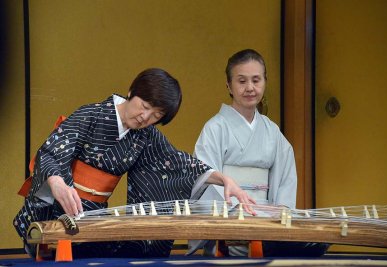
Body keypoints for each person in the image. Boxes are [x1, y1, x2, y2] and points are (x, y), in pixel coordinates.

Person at [13, 68, 255, 258]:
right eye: (145, 106)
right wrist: (57, 183)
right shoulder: (90, 115)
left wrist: (224, 180)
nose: (145, 117)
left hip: (94, 217)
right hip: (60, 209)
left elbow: (176, 162)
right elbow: (51, 153)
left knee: (128, 247)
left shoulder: (145, 135)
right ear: (132, 91)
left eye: (156, 115)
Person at [188, 49, 329, 257]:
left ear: (265, 82)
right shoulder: (215, 128)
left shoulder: (272, 131)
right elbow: (204, 176)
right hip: (229, 217)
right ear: (228, 85)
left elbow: (285, 181)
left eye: (256, 80)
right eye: (242, 81)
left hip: (266, 218)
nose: (250, 88)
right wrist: (235, 214)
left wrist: (277, 215)